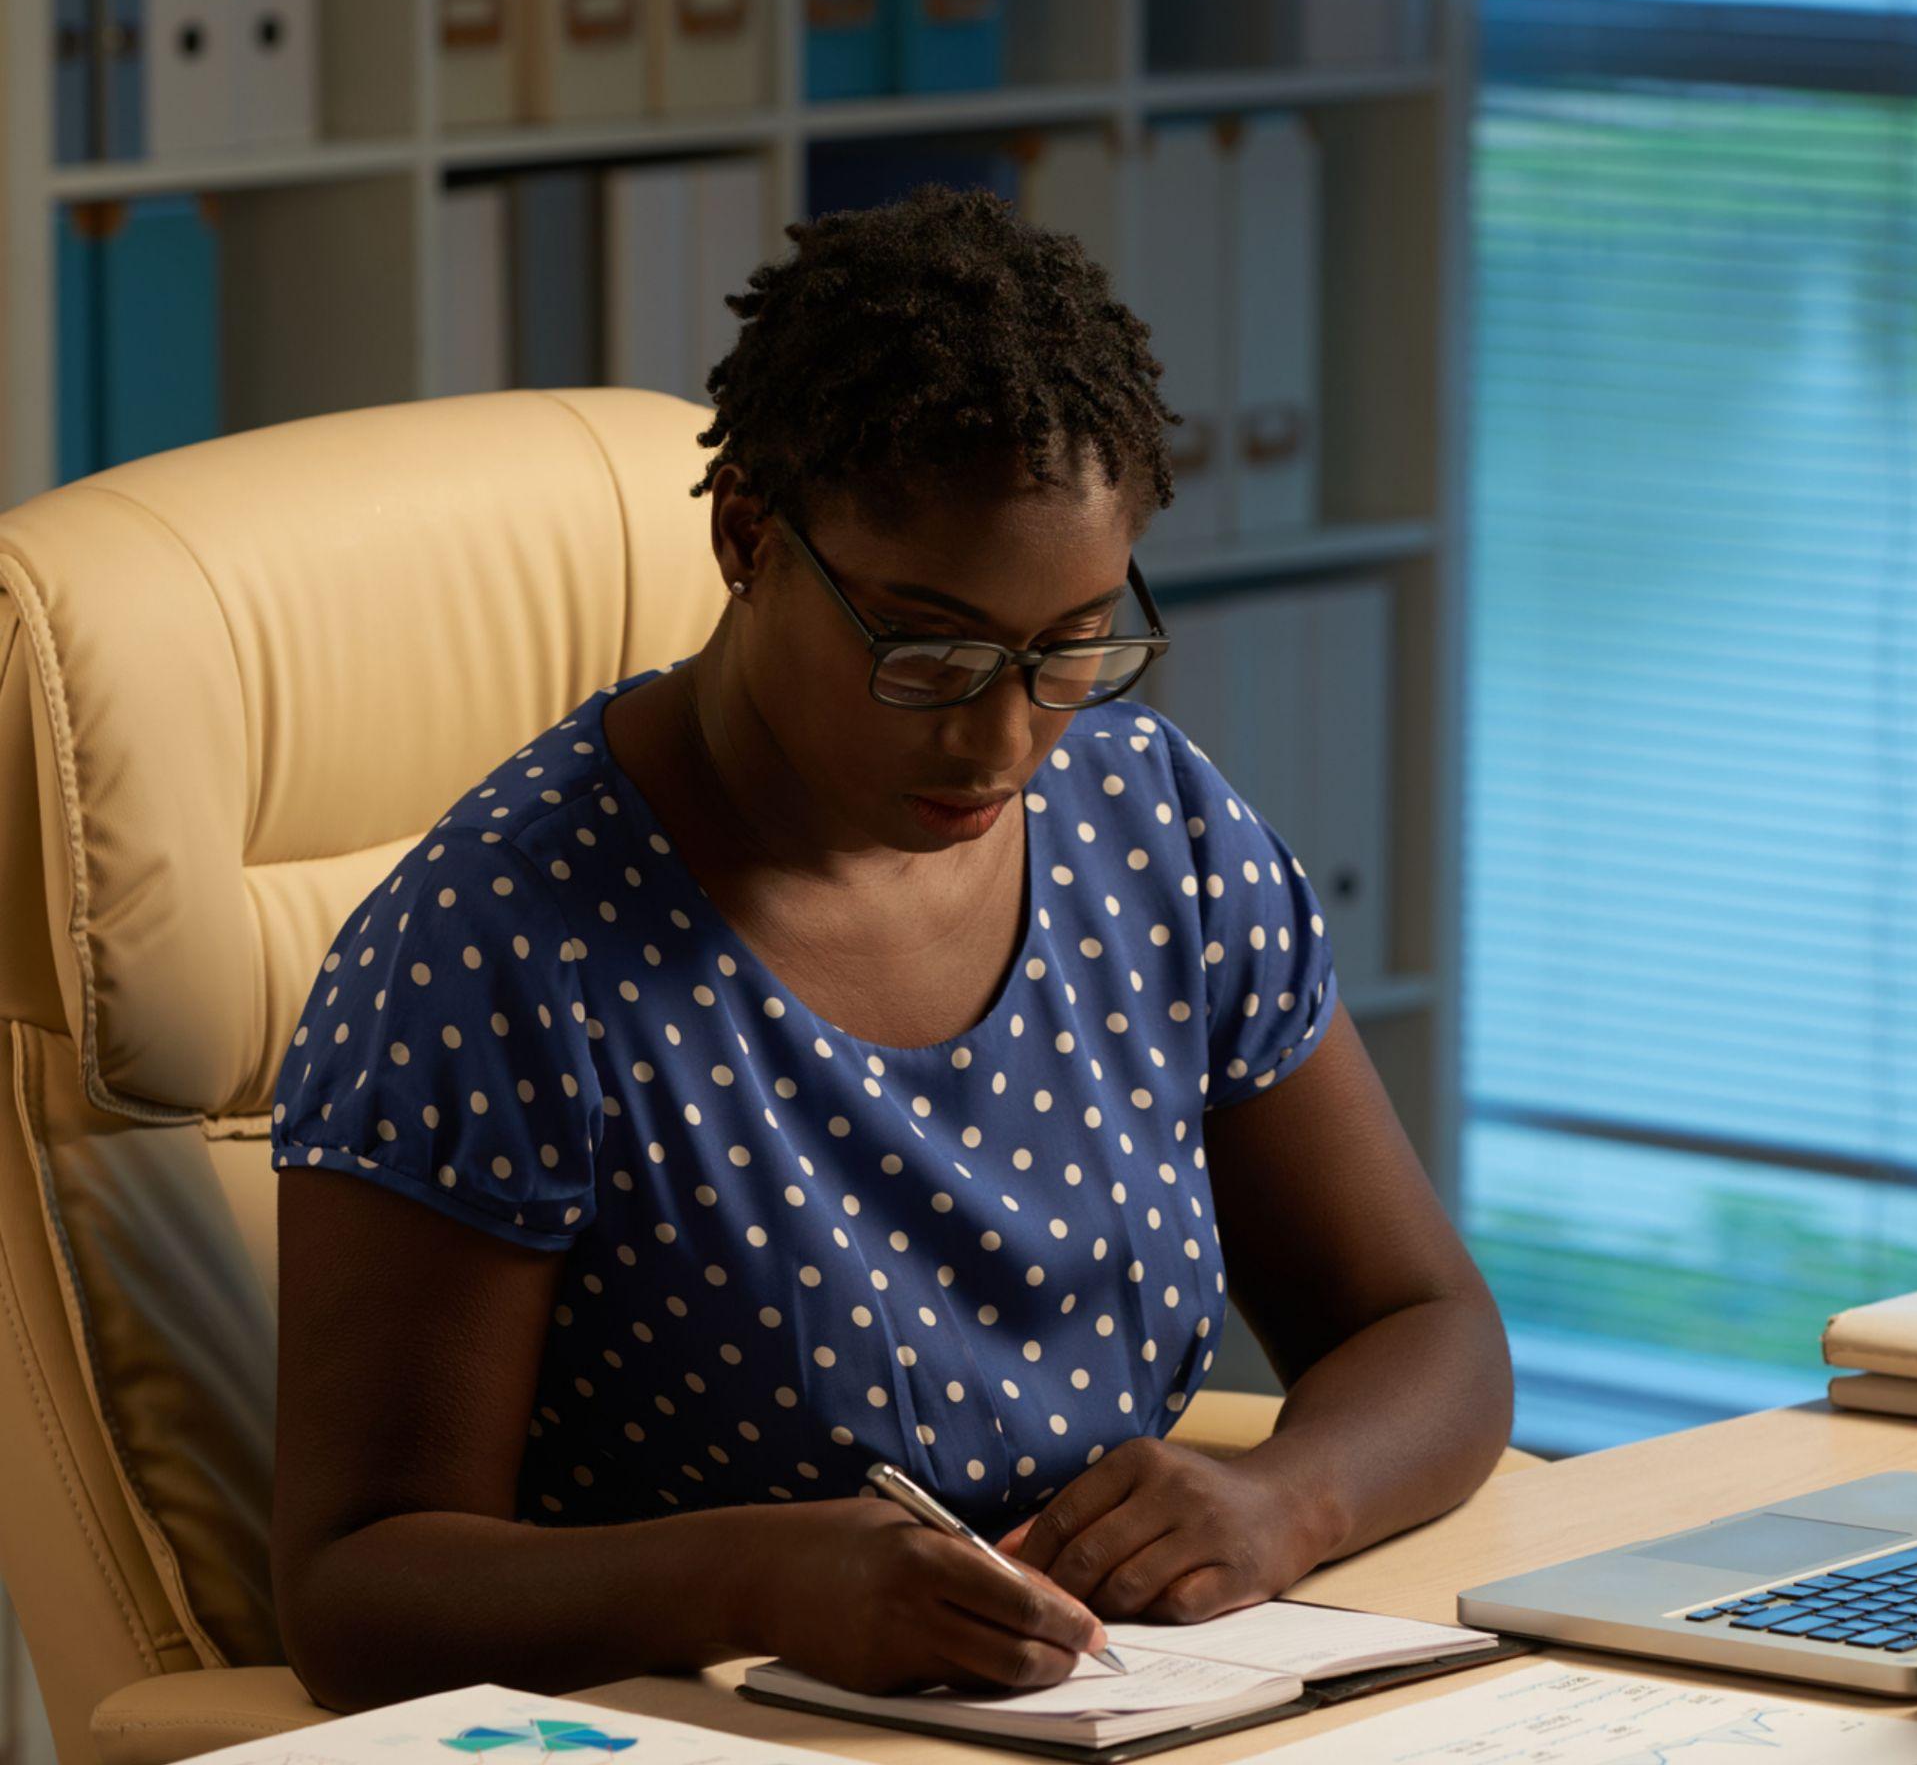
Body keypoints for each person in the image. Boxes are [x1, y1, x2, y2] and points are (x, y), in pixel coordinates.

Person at [268, 183, 1513, 1715]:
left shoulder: (1153, 829)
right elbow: (357, 1593)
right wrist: (755, 1576)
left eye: (1070, 649)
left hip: (1147, 1705)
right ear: (747, 542)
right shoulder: (502, 949)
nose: (1004, 739)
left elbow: (1429, 1330)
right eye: (925, 652)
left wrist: (1285, 1501)